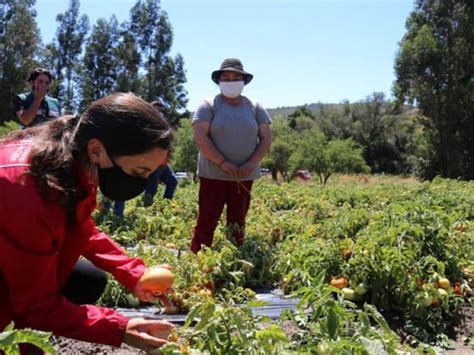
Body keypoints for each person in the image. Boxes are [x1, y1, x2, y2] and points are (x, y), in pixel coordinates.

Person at [0, 93, 176, 353]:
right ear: (97, 150)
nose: (142, 182)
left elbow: (81, 230)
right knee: (27, 316)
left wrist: (134, 273)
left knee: (87, 279)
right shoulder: (28, 189)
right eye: (138, 172)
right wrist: (119, 328)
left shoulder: (74, 163)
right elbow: (34, 306)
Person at [191, 58, 272, 253]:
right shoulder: (208, 105)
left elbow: (266, 138)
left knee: (238, 221)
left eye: (236, 77)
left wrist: (252, 162)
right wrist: (222, 162)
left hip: (243, 176)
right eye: (226, 77)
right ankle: (198, 260)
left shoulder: (255, 107)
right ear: (219, 80)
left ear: (244, 81)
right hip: (213, 174)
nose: (231, 80)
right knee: (207, 219)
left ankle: (234, 260)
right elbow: (200, 136)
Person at [102, 99, 178, 217]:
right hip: (146, 162)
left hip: (161, 164)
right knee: (123, 183)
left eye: (161, 112)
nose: (159, 114)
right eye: (156, 111)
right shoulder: (145, 125)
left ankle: (162, 207)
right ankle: (116, 213)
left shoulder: (164, 127)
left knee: (172, 181)